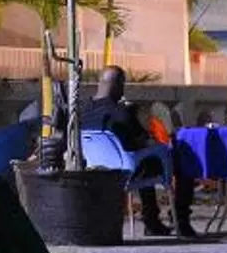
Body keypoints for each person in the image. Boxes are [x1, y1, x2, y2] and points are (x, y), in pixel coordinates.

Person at [78, 64, 192, 238]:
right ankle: (181, 221)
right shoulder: (123, 112)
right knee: (181, 163)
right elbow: (143, 141)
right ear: (118, 85)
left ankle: (152, 220)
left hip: (98, 172)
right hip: (127, 171)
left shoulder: (82, 111)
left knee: (144, 161)